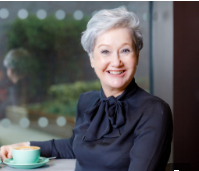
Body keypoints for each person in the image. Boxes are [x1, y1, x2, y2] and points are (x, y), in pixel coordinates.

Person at [0, 7, 173, 171]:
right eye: (105, 51)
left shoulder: (154, 111)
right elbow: (74, 146)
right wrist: (25, 146)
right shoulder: (87, 101)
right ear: (92, 58)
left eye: (125, 50)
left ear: (137, 55)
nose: (116, 62)